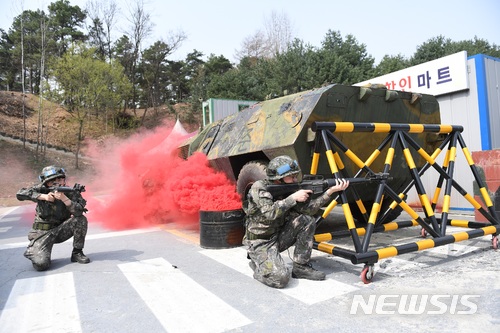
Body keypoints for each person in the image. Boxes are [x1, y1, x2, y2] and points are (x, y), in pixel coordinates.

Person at [243, 155, 349, 289]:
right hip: (260, 242)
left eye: (295, 176)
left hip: (278, 236)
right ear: (278, 178)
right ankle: (258, 267)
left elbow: (309, 211)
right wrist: (293, 198)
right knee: (280, 279)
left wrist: (329, 192)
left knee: (307, 220)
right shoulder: (260, 188)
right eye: (291, 177)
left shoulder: (290, 188)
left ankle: (300, 267)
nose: (294, 179)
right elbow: (270, 213)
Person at [16, 166, 90, 271]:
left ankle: (77, 252)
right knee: (41, 265)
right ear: (46, 183)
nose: (58, 184)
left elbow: (79, 212)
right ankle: (36, 251)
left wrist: (65, 199)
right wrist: (43, 196)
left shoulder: (71, 192)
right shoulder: (41, 190)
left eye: (60, 179)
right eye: (52, 182)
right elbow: (20, 194)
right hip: (41, 233)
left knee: (80, 219)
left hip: (60, 230)